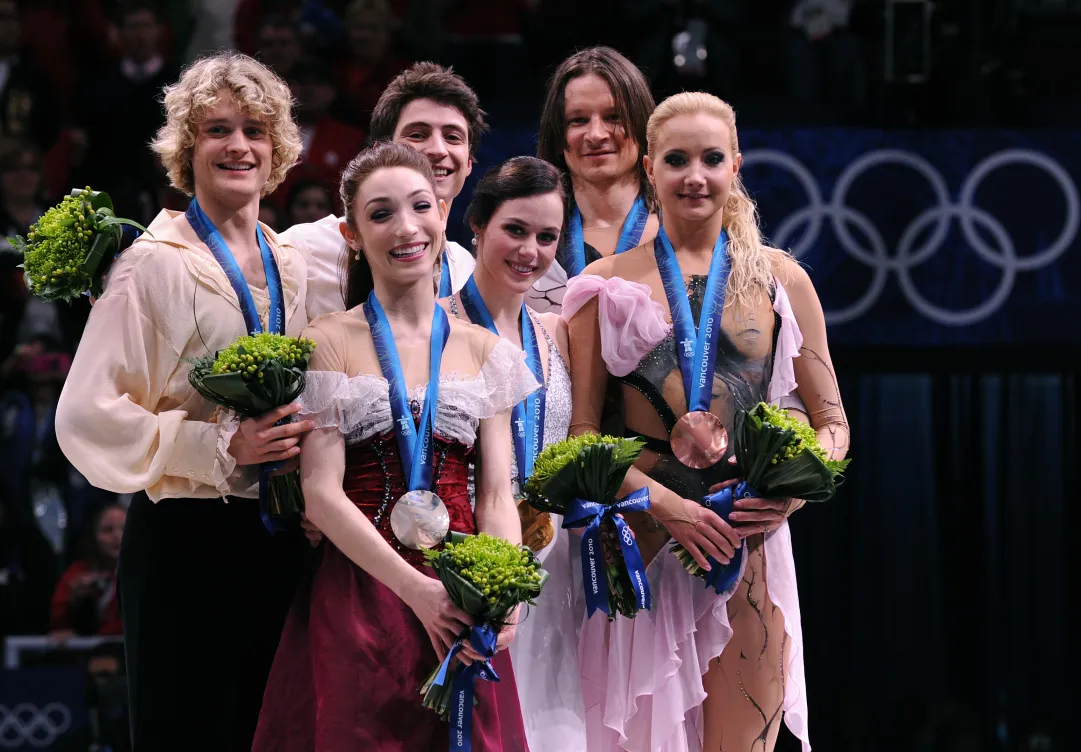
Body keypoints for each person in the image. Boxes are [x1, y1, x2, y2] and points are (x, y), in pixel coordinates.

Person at [563, 92, 850, 751]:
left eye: (711, 158)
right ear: (648, 171)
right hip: (645, 546)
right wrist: (664, 504)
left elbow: (831, 424)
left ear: (735, 167)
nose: (694, 175)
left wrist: (793, 491)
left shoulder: (783, 281)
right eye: (677, 159)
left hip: (748, 550)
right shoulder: (600, 286)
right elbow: (580, 440)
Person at [54, 52, 311, 751]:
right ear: (185, 147)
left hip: (281, 538)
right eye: (216, 129)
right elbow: (83, 414)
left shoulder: (291, 262)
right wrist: (217, 446)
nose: (238, 145)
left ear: (278, 146)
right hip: (186, 543)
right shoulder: (152, 261)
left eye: (255, 129)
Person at [253, 141, 536, 751]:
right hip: (359, 592)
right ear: (352, 234)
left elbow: (495, 496)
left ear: (442, 213)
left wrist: (501, 592)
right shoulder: (328, 340)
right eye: (381, 214)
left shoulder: (487, 351)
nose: (407, 228)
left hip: (464, 597)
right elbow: (321, 494)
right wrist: (417, 592)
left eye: (420, 207)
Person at [442, 156, 586, 750]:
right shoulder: (436, 330)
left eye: (547, 236)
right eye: (516, 230)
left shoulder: (557, 334)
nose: (530, 249)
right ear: (477, 224)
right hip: (465, 572)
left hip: (553, 574)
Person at [283, 61, 486, 320]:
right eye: (418, 134)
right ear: (381, 151)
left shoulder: (465, 269)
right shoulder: (305, 248)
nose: (438, 149)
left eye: (453, 137)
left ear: (469, 163)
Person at [527, 47, 659, 314]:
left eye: (613, 117)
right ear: (557, 134)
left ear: (642, 124)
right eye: (578, 120)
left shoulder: (683, 230)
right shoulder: (527, 234)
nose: (596, 134)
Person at [49, 503, 125, 638]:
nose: (117, 536)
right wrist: (73, 602)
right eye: (107, 530)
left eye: (125, 529)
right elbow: (57, 623)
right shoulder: (78, 573)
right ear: (94, 535)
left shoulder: (149, 573)